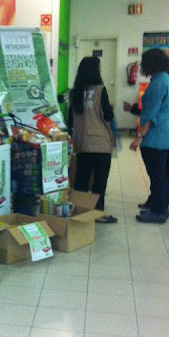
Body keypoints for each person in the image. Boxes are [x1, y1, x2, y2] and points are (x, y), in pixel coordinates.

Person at [124, 60, 169, 208]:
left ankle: (159, 210)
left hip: (156, 135)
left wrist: (139, 137)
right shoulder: (167, 80)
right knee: (160, 173)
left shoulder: (159, 83)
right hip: (164, 133)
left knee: (157, 174)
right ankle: (158, 203)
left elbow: (151, 114)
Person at [68, 56, 117, 223]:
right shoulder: (100, 90)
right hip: (100, 143)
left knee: (81, 179)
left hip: (82, 142)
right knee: (99, 181)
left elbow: (70, 120)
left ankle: (79, 211)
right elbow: (108, 115)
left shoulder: (74, 92)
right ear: (95, 70)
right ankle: (98, 214)